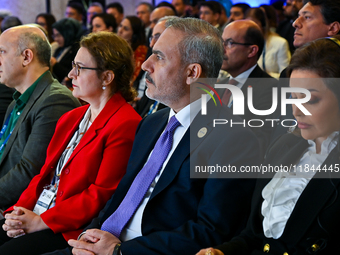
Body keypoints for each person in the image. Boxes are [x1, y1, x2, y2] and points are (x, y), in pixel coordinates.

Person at [43, 17, 260, 255]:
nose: (145, 64)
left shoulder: (235, 138)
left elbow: (210, 231)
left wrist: (120, 251)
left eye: (159, 56)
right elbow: (123, 194)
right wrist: (91, 233)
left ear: (192, 73)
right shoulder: (152, 122)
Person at [0, 31, 141, 255]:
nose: (70, 74)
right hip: (41, 212)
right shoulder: (72, 117)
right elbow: (44, 175)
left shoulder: (126, 123)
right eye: (73, 65)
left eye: (80, 68)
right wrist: (17, 213)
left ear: (107, 77)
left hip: (71, 227)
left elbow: (100, 194)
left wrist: (41, 221)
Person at [197, 35, 340, 255]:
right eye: (292, 98)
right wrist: (222, 251)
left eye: (311, 100)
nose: (296, 111)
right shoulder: (285, 145)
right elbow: (254, 236)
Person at [0, 25, 80, 210]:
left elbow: (30, 171)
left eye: (2, 52)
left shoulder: (55, 101)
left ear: (27, 57)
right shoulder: (17, 101)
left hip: (23, 211)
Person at [271, 0, 340, 142]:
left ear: (333, 28)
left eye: (307, 17)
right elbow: (279, 126)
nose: (295, 23)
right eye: (298, 16)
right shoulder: (288, 73)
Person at [220, 19, 277, 157]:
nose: (222, 49)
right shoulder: (220, 85)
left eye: (230, 43)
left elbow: (258, 141)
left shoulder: (270, 89)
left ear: (251, 51)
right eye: (221, 42)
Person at [246, 7, 291, 78]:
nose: (251, 29)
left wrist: (264, 75)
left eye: (255, 23)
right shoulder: (244, 44)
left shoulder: (280, 43)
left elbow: (286, 75)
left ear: (263, 24)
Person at [50, 18, 83, 83]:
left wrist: (55, 64)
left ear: (67, 34)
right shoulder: (59, 48)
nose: (56, 39)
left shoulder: (77, 50)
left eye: (58, 35)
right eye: (54, 35)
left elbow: (75, 74)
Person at [118, 16, 148, 83]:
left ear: (135, 35)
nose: (120, 30)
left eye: (125, 29)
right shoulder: (116, 48)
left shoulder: (141, 50)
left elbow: (134, 79)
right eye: (120, 26)